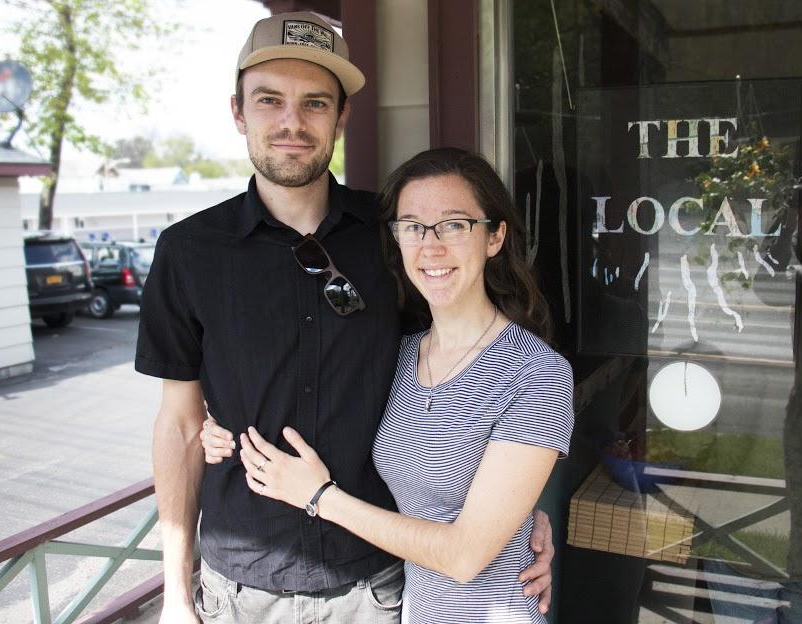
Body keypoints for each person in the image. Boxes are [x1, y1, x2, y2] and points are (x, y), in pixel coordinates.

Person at [136, 11, 555, 624]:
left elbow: (460, 374)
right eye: (269, 101)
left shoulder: (397, 238)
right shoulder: (188, 251)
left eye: (314, 104)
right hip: (240, 586)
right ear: (237, 112)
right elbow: (179, 427)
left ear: (341, 116)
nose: (291, 123)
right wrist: (175, 594)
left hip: (380, 583)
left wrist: (515, 513)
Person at [204, 148, 574, 623]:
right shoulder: (400, 354)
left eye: (455, 224)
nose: (431, 246)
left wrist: (319, 497)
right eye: (413, 227)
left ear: (495, 237)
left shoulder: (536, 373)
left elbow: (465, 556)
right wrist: (217, 424)